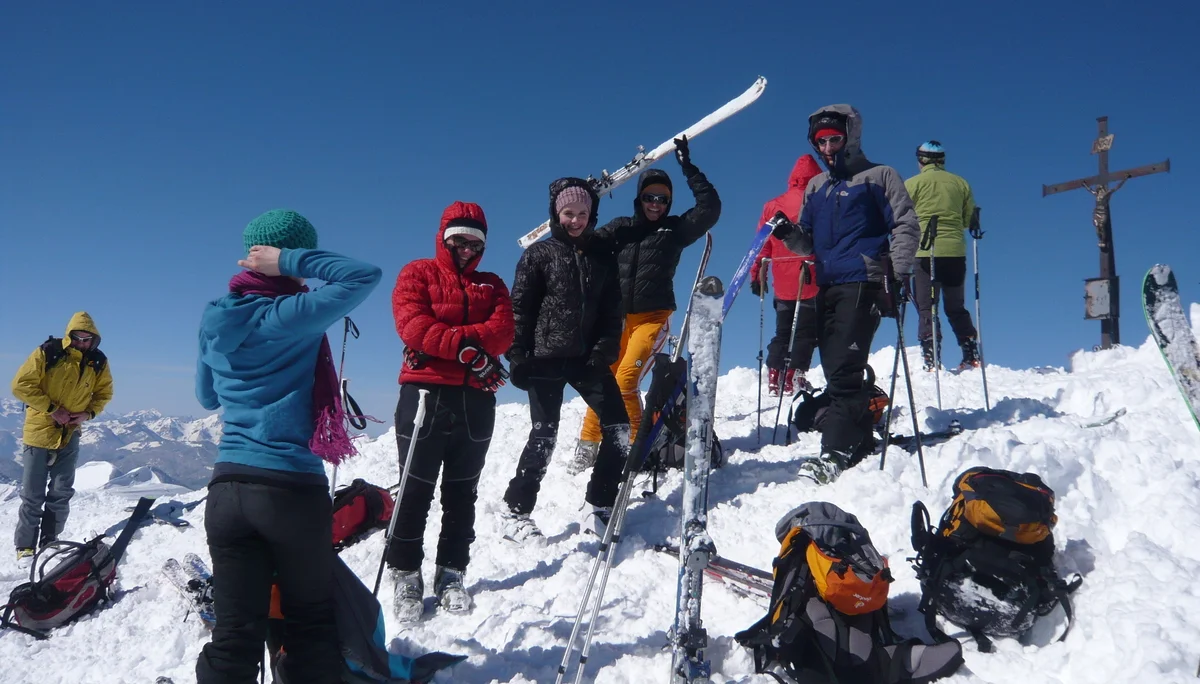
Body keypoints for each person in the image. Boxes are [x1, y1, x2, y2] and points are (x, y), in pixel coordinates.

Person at [194, 209, 382, 683]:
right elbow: (364, 276)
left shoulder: (216, 317)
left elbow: (207, 396)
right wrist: (292, 259)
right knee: (309, 624)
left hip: (226, 490)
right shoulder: (290, 315)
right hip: (289, 489)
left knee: (234, 634)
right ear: (281, 258)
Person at [771, 105, 920, 484]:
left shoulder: (879, 176)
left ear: (851, 136)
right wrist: (788, 234)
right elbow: (807, 240)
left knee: (843, 370)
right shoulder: (818, 187)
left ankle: (834, 450)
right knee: (837, 367)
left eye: (834, 138)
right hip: (826, 284)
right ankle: (858, 437)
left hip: (863, 281)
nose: (827, 147)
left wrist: (897, 272)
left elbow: (905, 224)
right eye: (820, 141)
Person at [387, 201, 514, 622]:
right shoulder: (417, 273)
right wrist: (470, 352)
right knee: (414, 489)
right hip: (424, 397)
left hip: (475, 402)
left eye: (474, 243)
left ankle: (451, 571)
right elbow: (413, 326)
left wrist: (447, 346)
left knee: (462, 493)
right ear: (444, 238)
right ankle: (406, 572)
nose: (465, 249)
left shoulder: (492, 285)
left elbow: (502, 334)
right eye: (458, 240)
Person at [502, 177, 629, 544]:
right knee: (544, 435)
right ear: (556, 215)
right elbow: (520, 310)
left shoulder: (602, 258)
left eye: (582, 213)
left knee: (619, 428)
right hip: (544, 359)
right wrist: (518, 355)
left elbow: (611, 311)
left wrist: (605, 349)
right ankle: (516, 513)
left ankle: (598, 505)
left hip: (586, 360)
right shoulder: (538, 255)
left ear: (592, 215)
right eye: (568, 213)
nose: (575, 220)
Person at [11, 312, 113, 563]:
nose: (81, 342)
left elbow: (104, 393)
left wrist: (88, 413)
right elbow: (21, 385)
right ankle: (25, 547)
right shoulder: (49, 352)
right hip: (39, 431)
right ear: (69, 335)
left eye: (86, 338)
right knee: (33, 494)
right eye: (77, 337)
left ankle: (50, 541)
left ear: (94, 340)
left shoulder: (97, 362)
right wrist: (52, 410)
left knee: (61, 491)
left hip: (70, 434)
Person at [751, 154, 823, 396]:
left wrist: (757, 274)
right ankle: (794, 375)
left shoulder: (772, 205)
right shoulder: (820, 201)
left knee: (783, 330)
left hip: (782, 278)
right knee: (805, 331)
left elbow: (762, 244)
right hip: (810, 275)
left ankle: (774, 376)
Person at [904, 140, 980, 371]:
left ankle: (930, 357)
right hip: (956, 252)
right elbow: (968, 219)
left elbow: (901, 217)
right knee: (956, 305)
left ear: (921, 160)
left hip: (926, 252)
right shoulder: (960, 183)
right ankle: (970, 353)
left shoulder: (912, 184)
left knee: (928, 306)